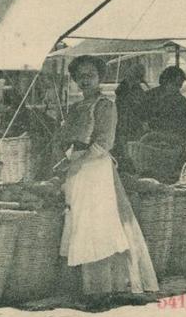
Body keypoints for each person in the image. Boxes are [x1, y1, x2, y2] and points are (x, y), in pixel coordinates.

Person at [58, 55, 158, 297]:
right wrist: (66, 156)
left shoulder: (106, 105)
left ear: (99, 78)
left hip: (97, 171)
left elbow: (105, 142)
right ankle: (90, 286)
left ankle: (110, 286)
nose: (85, 81)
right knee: (82, 225)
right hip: (77, 172)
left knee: (101, 226)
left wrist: (77, 158)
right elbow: (65, 138)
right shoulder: (75, 108)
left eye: (90, 75)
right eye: (80, 77)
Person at [144, 66, 186, 148]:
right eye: (175, 84)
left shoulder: (181, 101)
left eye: (180, 85)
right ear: (166, 81)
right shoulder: (149, 95)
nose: (178, 88)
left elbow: (184, 127)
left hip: (171, 141)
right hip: (149, 140)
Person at [113, 63, 148, 164]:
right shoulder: (127, 89)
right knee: (128, 144)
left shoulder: (129, 88)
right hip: (127, 121)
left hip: (127, 122)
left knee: (128, 144)